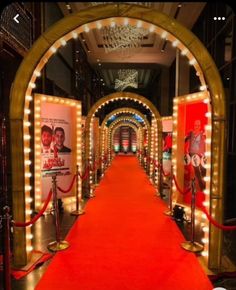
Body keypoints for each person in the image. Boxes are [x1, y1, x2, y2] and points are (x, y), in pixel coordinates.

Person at [184, 119, 206, 193]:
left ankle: (203, 185)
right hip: (192, 154)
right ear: (194, 126)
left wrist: (203, 153)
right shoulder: (191, 133)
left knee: (202, 170)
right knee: (196, 171)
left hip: (199, 154)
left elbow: (204, 144)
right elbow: (184, 140)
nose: (197, 127)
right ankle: (202, 186)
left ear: (200, 126)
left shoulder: (202, 134)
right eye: (196, 125)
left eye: (198, 125)